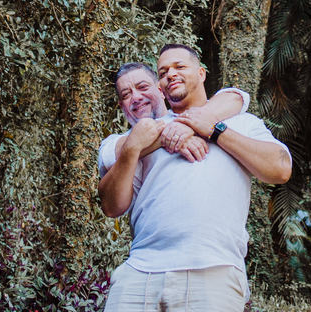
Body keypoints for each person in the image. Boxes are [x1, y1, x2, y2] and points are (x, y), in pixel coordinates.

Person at [97, 45, 292, 312]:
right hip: (139, 271)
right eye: (163, 72)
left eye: (179, 67)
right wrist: (138, 146)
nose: (171, 74)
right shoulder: (140, 138)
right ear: (161, 88)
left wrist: (214, 130)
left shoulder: (239, 122)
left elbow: (280, 169)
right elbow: (110, 206)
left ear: (201, 73)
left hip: (212, 270)